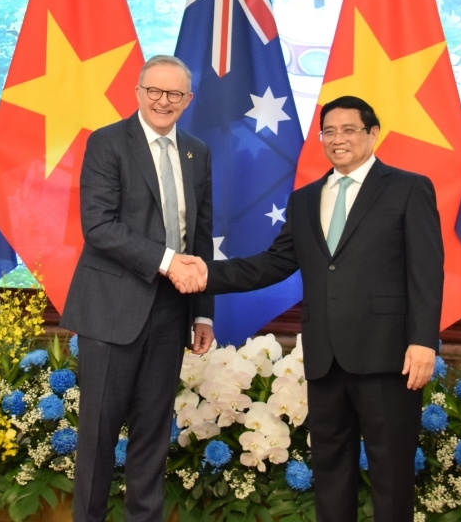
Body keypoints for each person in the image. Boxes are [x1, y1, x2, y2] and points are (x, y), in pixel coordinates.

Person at [180, 95, 443, 521]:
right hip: (324, 360)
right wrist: (205, 273)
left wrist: (423, 342)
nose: (338, 139)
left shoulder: (409, 188)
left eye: (349, 130)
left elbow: (427, 271)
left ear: (373, 134)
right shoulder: (304, 200)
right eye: (329, 131)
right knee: (331, 472)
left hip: (388, 356)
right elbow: (274, 263)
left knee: (392, 476)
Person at [60, 54, 214, 522]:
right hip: (111, 312)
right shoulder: (107, 143)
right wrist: (168, 263)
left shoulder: (198, 152)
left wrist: (202, 312)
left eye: (173, 94)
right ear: (137, 92)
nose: (162, 101)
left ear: (187, 101)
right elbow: (99, 227)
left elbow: (200, 237)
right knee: (98, 438)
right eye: (154, 91)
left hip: (171, 315)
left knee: (152, 437)